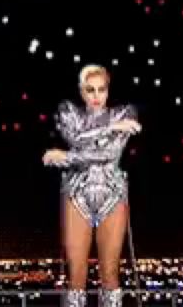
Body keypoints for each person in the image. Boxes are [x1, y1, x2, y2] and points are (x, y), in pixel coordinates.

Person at [42, 64, 142, 307]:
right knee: (76, 276)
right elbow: (75, 138)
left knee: (110, 274)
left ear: (108, 90)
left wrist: (64, 157)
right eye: (90, 90)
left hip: (112, 196)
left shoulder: (124, 113)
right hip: (77, 196)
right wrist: (109, 129)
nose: (97, 96)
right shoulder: (69, 112)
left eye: (102, 89)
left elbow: (107, 154)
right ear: (82, 91)